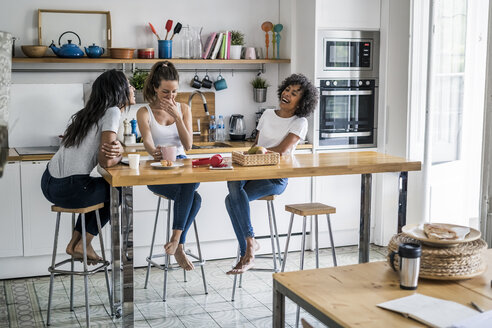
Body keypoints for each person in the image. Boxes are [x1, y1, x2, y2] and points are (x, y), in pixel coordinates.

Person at [225, 73, 319, 274]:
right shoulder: (267, 114)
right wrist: (247, 154)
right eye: (287, 89)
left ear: (302, 102)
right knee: (232, 182)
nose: (287, 94)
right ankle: (250, 246)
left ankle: (248, 251)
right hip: (254, 170)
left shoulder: (299, 122)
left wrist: (256, 153)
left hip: (275, 177)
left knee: (231, 200)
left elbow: (283, 150)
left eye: (294, 93)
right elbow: (256, 145)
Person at [41, 69, 135, 264]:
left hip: (49, 183)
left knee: (101, 189)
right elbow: (106, 161)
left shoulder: (86, 114)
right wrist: (121, 153)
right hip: (71, 187)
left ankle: (75, 244)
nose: (132, 88)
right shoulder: (113, 111)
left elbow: (103, 152)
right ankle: (84, 243)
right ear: (119, 90)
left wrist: (117, 149)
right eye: (128, 85)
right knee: (117, 189)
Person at [136, 61, 200, 271]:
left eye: (174, 91)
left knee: (190, 183)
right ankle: (179, 245)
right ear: (155, 87)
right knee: (194, 197)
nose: (170, 96)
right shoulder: (144, 112)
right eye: (165, 92)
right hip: (159, 172)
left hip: (182, 167)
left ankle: (175, 240)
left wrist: (177, 117)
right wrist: (151, 150)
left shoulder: (184, 108)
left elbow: (188, 145)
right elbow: (146, 140)